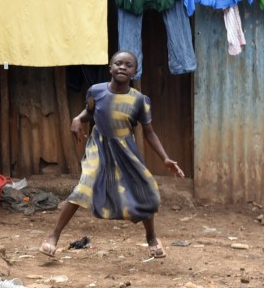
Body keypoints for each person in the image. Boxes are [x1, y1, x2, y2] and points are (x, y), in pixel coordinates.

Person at [40, 50, 185, 260]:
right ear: (110, 68)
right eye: (118, 63)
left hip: (125, 150)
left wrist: (165, 158)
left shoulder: (139, 101)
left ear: (135, 71)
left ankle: (152, 238)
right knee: (83, 188)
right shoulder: (96, 91)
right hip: (98, 147)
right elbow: (90, 112)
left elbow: (149, 132)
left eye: (128, 65)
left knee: (143, 190)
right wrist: (77, 118)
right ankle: (53, 237)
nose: (122, 67)